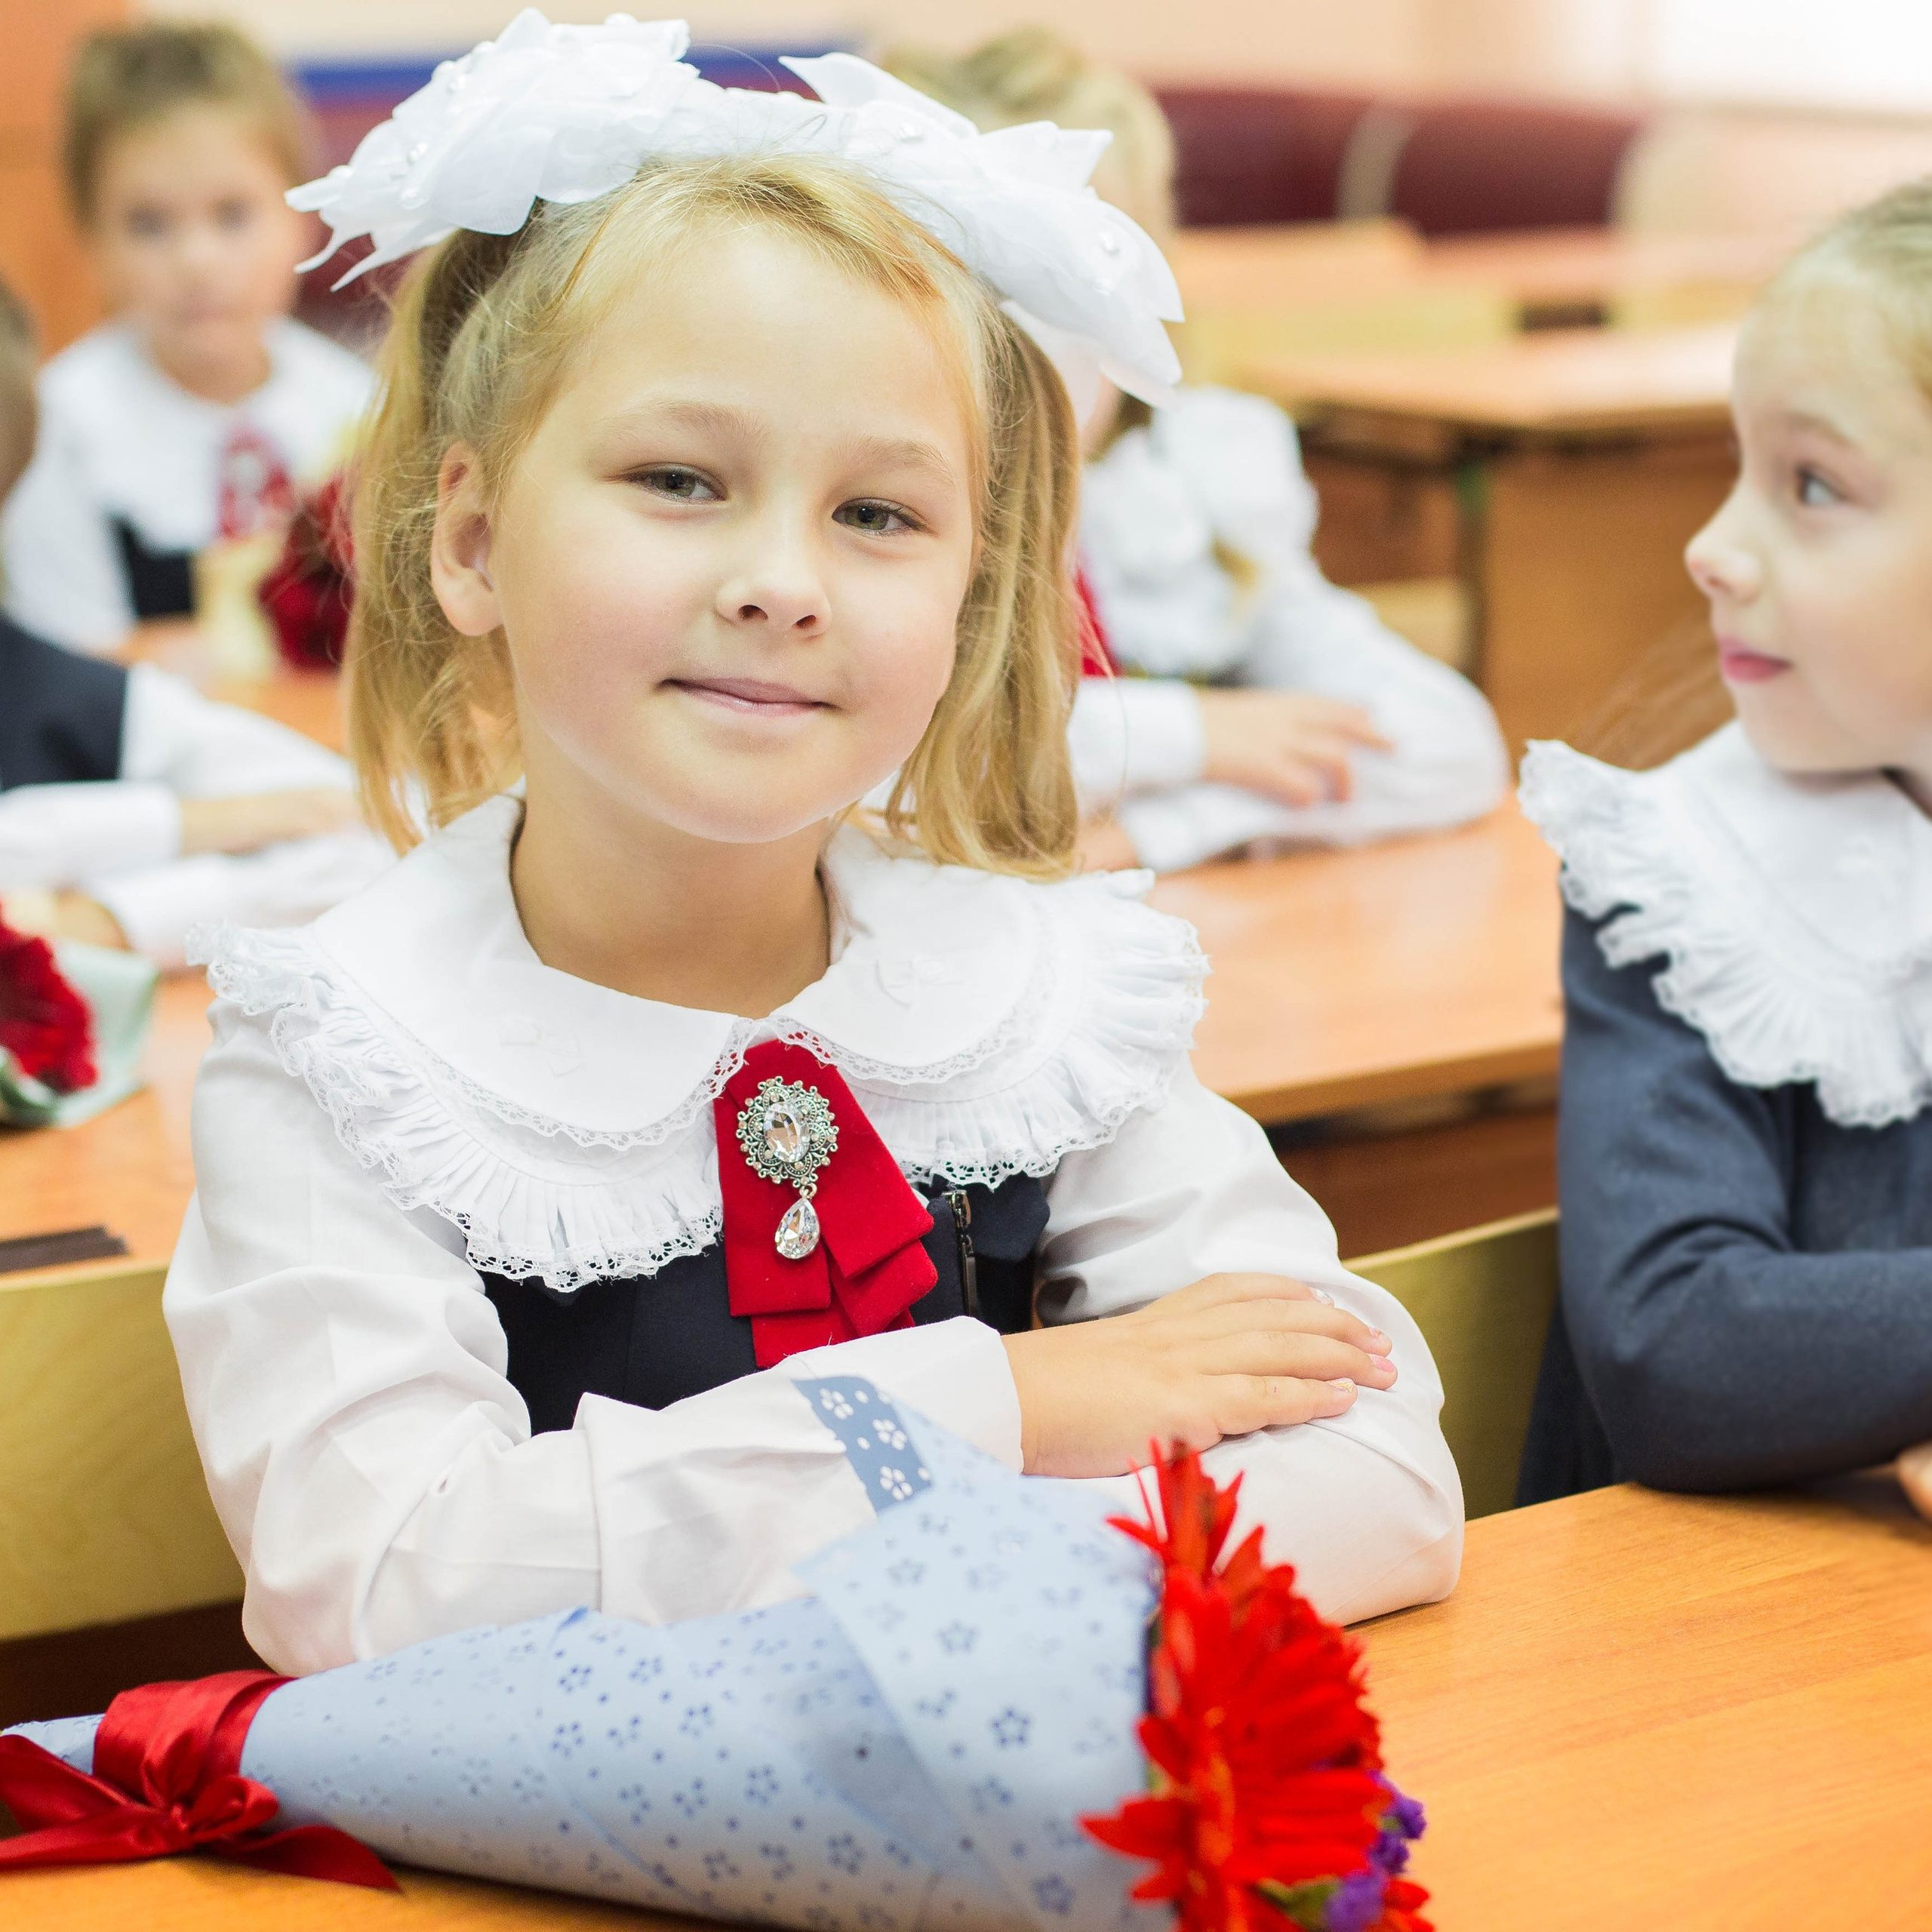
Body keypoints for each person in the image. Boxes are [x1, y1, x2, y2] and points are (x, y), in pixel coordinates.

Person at [163, 19, 1463, 1678]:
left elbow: (1379, 1477)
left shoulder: (1039, 983)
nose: (784, 580)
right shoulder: (342, 1049)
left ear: (968, 589)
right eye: (681, 478)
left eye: (876, 514)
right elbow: (388, 1591)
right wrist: (1001, 1404)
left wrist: (853, 1551)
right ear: (472, 539)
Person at [1517, 179, 1932, 1518]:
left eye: (1809, 485)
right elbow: (1676, 1343)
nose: (1710, 547)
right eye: (1740, 468)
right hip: (1712, 1646)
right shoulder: (1684, 884)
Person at [884, 29, 1507, 873]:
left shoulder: (1182, 487)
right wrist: (1195, 734)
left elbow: (1447, 747)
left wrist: (1149, 834)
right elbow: (881, 767)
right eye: (988, 295)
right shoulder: (856, 512)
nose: (1033, 357)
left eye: (1090, 296)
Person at [0, 275, 386, 968]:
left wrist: (107, 922)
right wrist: (191, 825)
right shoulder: (85, 404)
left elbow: (364, 825)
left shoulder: (74, 697)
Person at [0, 23, 372, 655]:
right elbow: (69, 658)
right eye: (148, 224)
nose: (196, 261)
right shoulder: (61, 430)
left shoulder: (356, 403)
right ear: (92, 242)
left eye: (233, 214)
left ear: (301, 217)